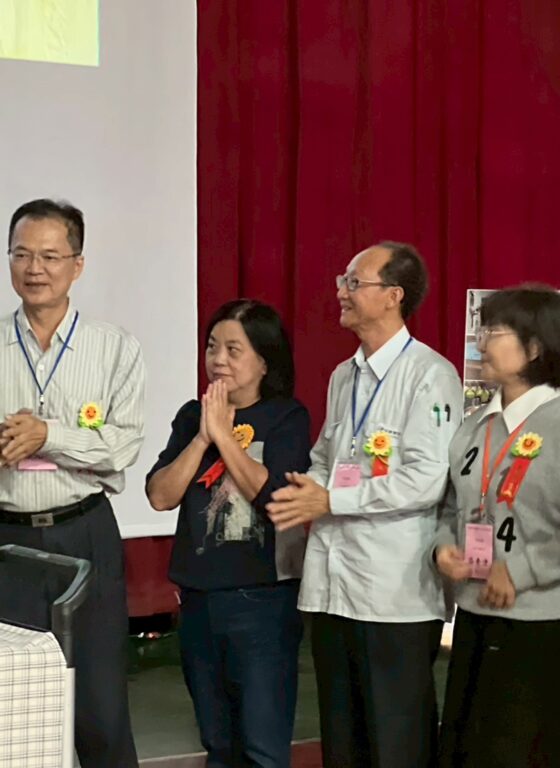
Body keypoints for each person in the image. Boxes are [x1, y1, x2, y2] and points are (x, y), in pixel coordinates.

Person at [266, 242, 463, 768]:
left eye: (355, 282)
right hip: (333, 585)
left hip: (392, 592)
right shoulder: (344, 375)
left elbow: (425, 479)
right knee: (343, 740)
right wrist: (306, 490)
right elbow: (328, 457)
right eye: (343, 280)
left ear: (393, 296)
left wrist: (331, 498)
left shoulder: (430, 375)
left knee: (396, 742)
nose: (342, 292)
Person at [433, 286, 560, 767]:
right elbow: (450, 506)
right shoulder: (475, 427)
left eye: (495, 331)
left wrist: (521, 570)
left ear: (533, 348)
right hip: (474, 613)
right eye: (482, 329)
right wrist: (442, 548)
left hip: (541, 624)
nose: (481, 342)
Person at [0, 199, 143, 767]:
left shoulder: (114, 348)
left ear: (77, 265)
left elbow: (122, 447)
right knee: (14, 707)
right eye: (21, 255)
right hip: (8, 540)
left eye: (50, 256)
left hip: (83, 534)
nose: (34, 269)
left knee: (100, 710)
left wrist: (47, 436)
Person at [146, 299, 310, 767]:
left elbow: (274, 496)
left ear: (264, 361)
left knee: (261, 745)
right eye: (212, 347)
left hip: (262, 600)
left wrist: (224, 437)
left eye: (233, 350)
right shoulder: (191, 416)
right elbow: (160, 495)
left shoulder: (286, 418)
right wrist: (203, 435)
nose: (218, 359)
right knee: (217, 742)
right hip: (198, 598)